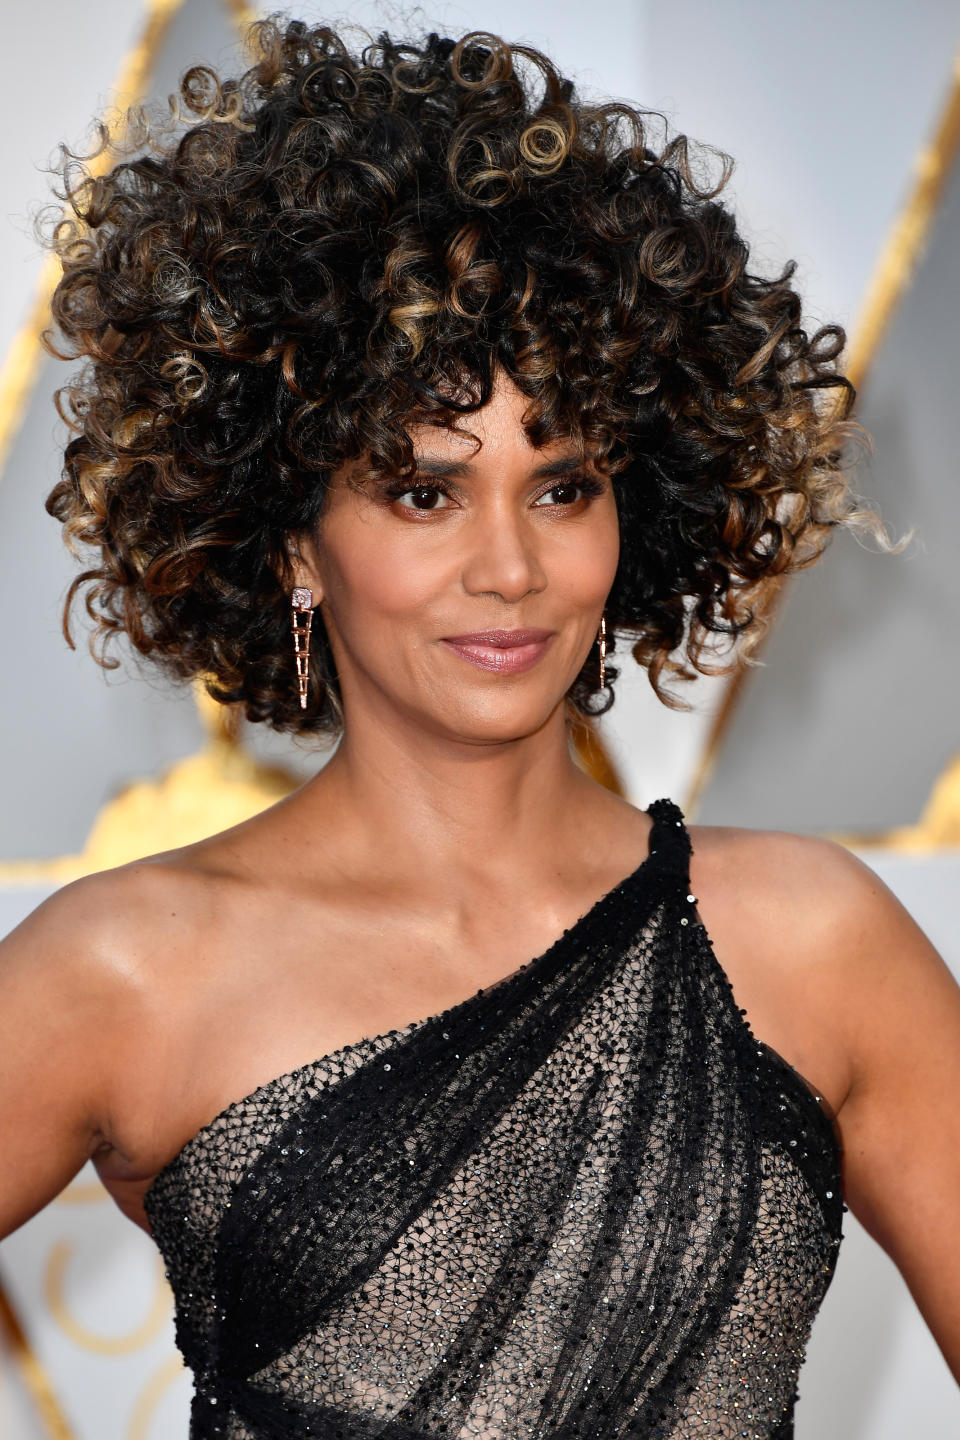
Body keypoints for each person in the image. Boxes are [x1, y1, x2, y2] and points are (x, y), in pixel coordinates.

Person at [1, 16, 958, 1438]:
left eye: (564, 486)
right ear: (292, 545)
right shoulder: (127, 969)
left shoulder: (817, 939)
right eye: (423, 492)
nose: (510, 567)